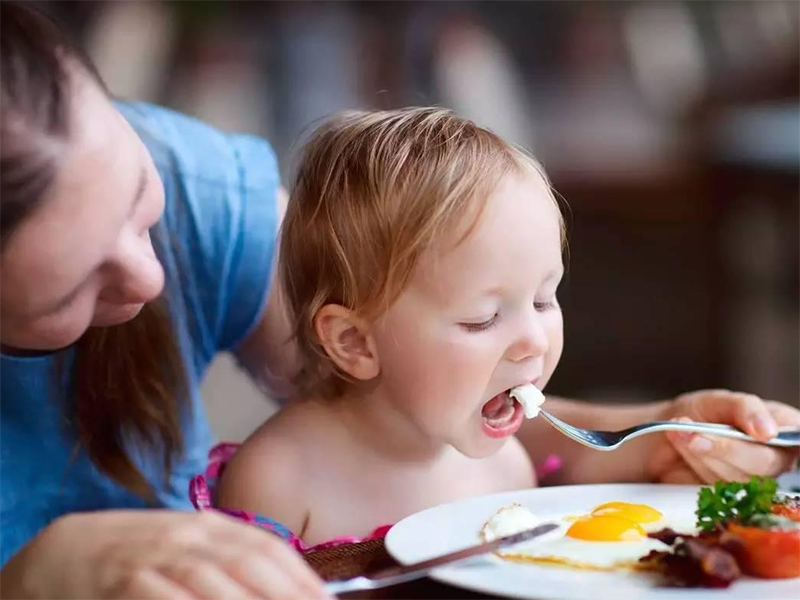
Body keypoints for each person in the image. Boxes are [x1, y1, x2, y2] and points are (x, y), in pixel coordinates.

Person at [211, 108, 800, 547]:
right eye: (483, 318)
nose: (534, 341)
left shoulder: (503, 460)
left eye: (545, 299)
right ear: (355, 342)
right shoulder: (279, 481)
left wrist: (716, 434)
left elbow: (623, 467)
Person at [0, 4, 327, 598]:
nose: (149, 279)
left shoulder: (198, 187)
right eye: (69, 293)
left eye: (139, 193)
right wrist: (25, 579)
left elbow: (404, 402)